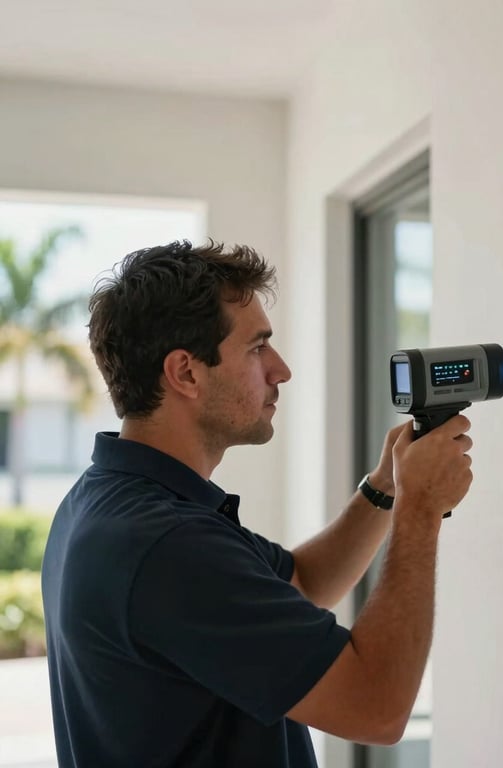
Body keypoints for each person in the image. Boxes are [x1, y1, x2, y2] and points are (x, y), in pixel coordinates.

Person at [41, 240, 473, 768]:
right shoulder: (167, 545)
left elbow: (305, 584)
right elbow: (378, 709)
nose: (281, 370)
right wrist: (420, 514)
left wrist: (386, 489)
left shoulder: (108, 501)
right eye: (257, 348)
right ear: (186, 373)